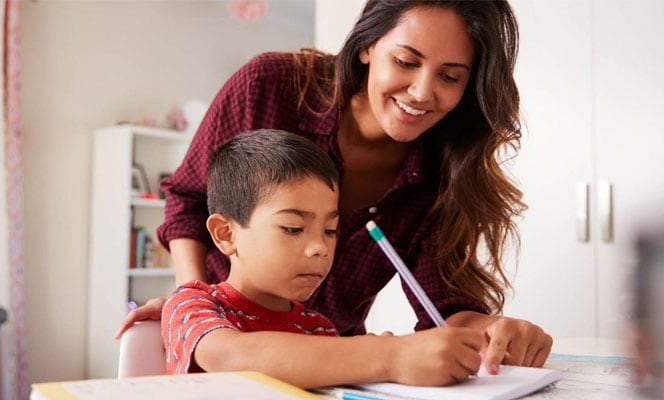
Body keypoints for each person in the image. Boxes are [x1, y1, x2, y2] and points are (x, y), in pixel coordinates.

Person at [117, 0, 553, 385]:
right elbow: (191, 201)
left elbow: (444, 305)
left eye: (450, 76)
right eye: (405, 61)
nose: (422, 92)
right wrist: (195, 297)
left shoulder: (320, 330)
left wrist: (490, 332)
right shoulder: (269, 86)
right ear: (367, 46)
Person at [163, 129, 342, 383]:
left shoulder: (318, 328)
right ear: (226, 234)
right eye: (293, 228)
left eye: (329, 231)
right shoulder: (192, 304)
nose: (320, 247)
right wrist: (382, 355)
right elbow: (228, 357)